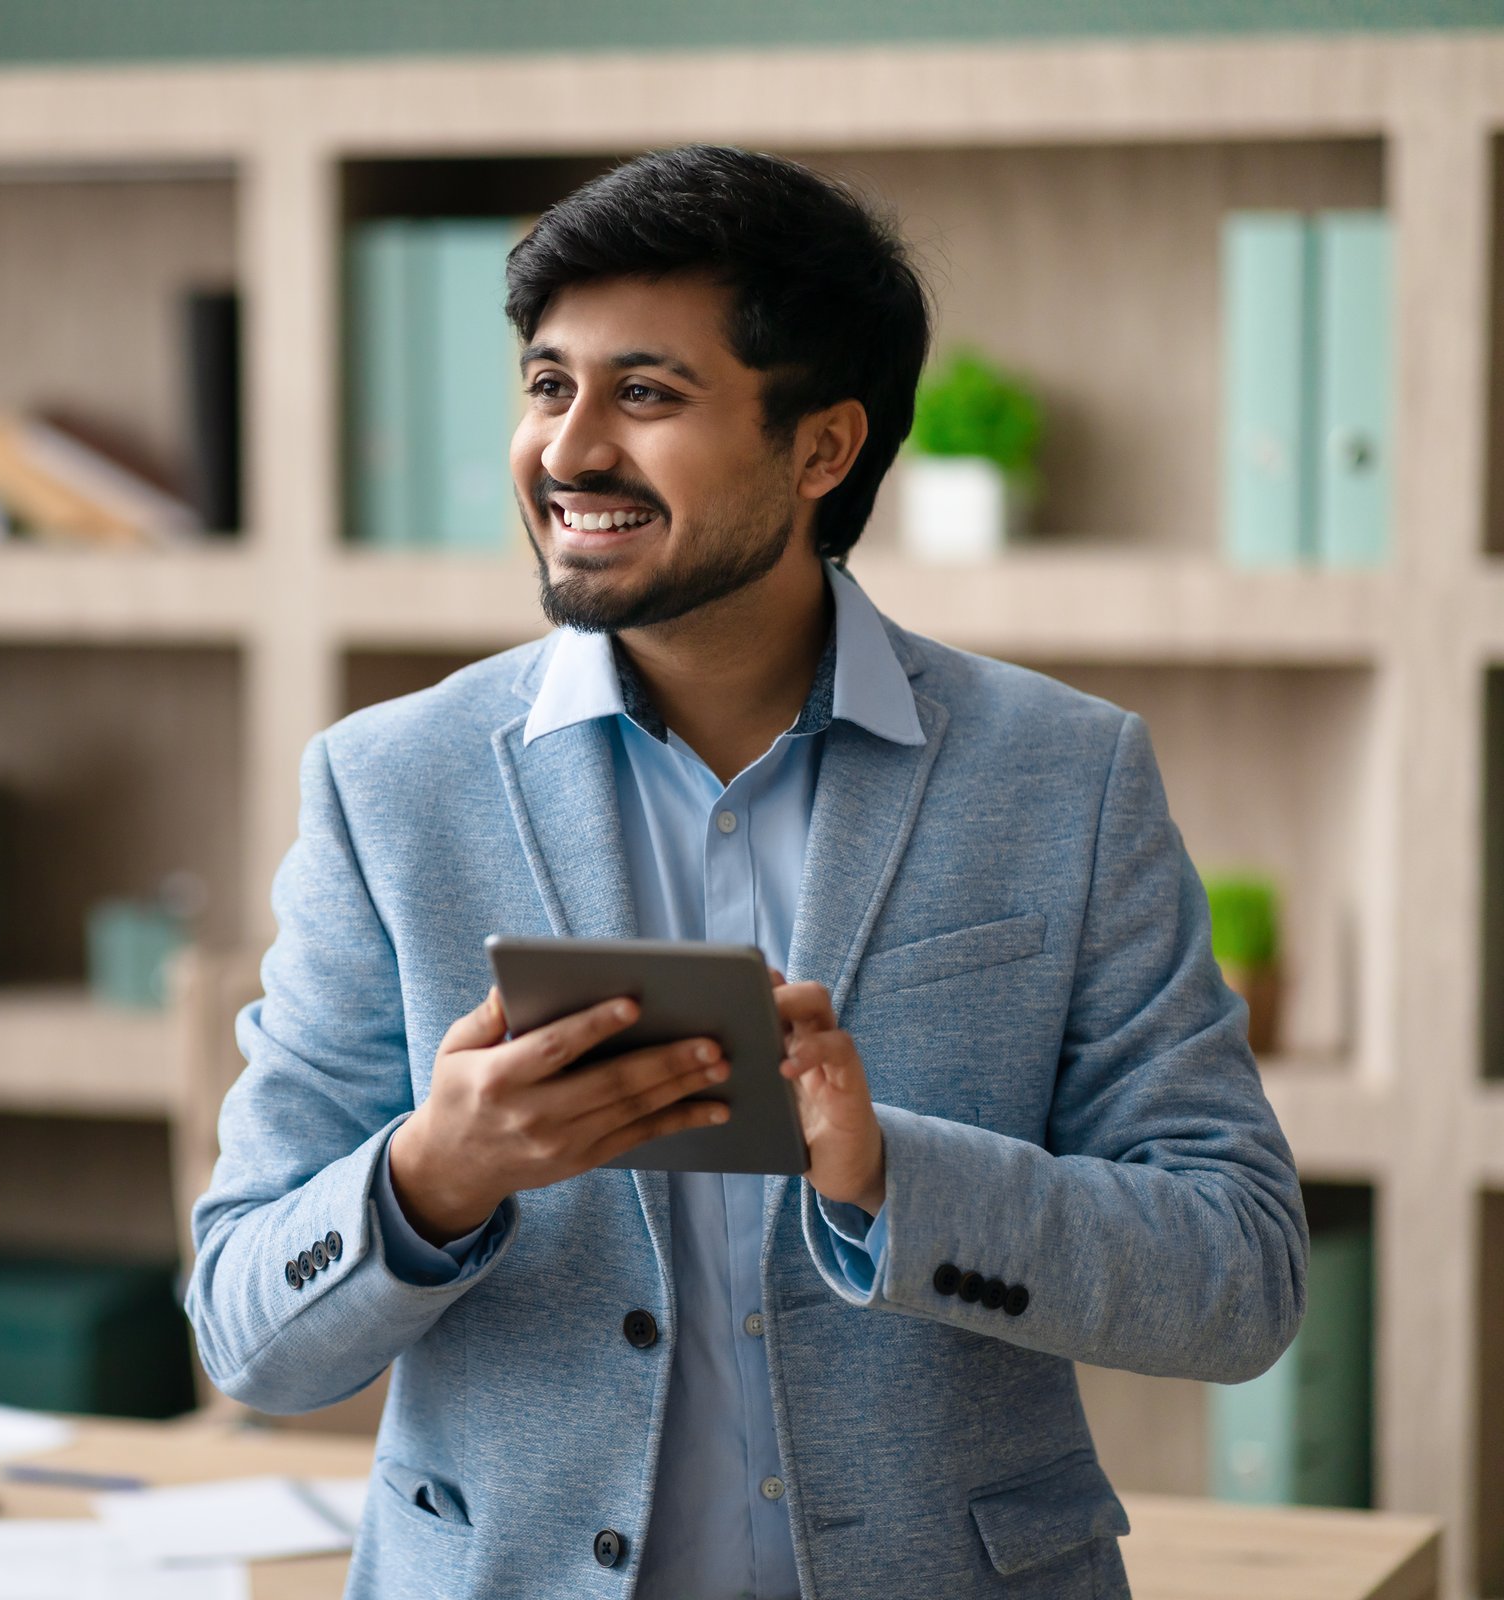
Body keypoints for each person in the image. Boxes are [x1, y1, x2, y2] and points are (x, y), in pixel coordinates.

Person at [183, 145, 1304, 1600]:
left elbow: (1241, 1283)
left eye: (644, 394)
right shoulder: (387, 787)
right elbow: (242, 1332)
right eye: (547, 384)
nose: (569, 450)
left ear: (823, 448)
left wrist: (889, 1171)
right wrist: (433, 1178)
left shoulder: (1064, 778)